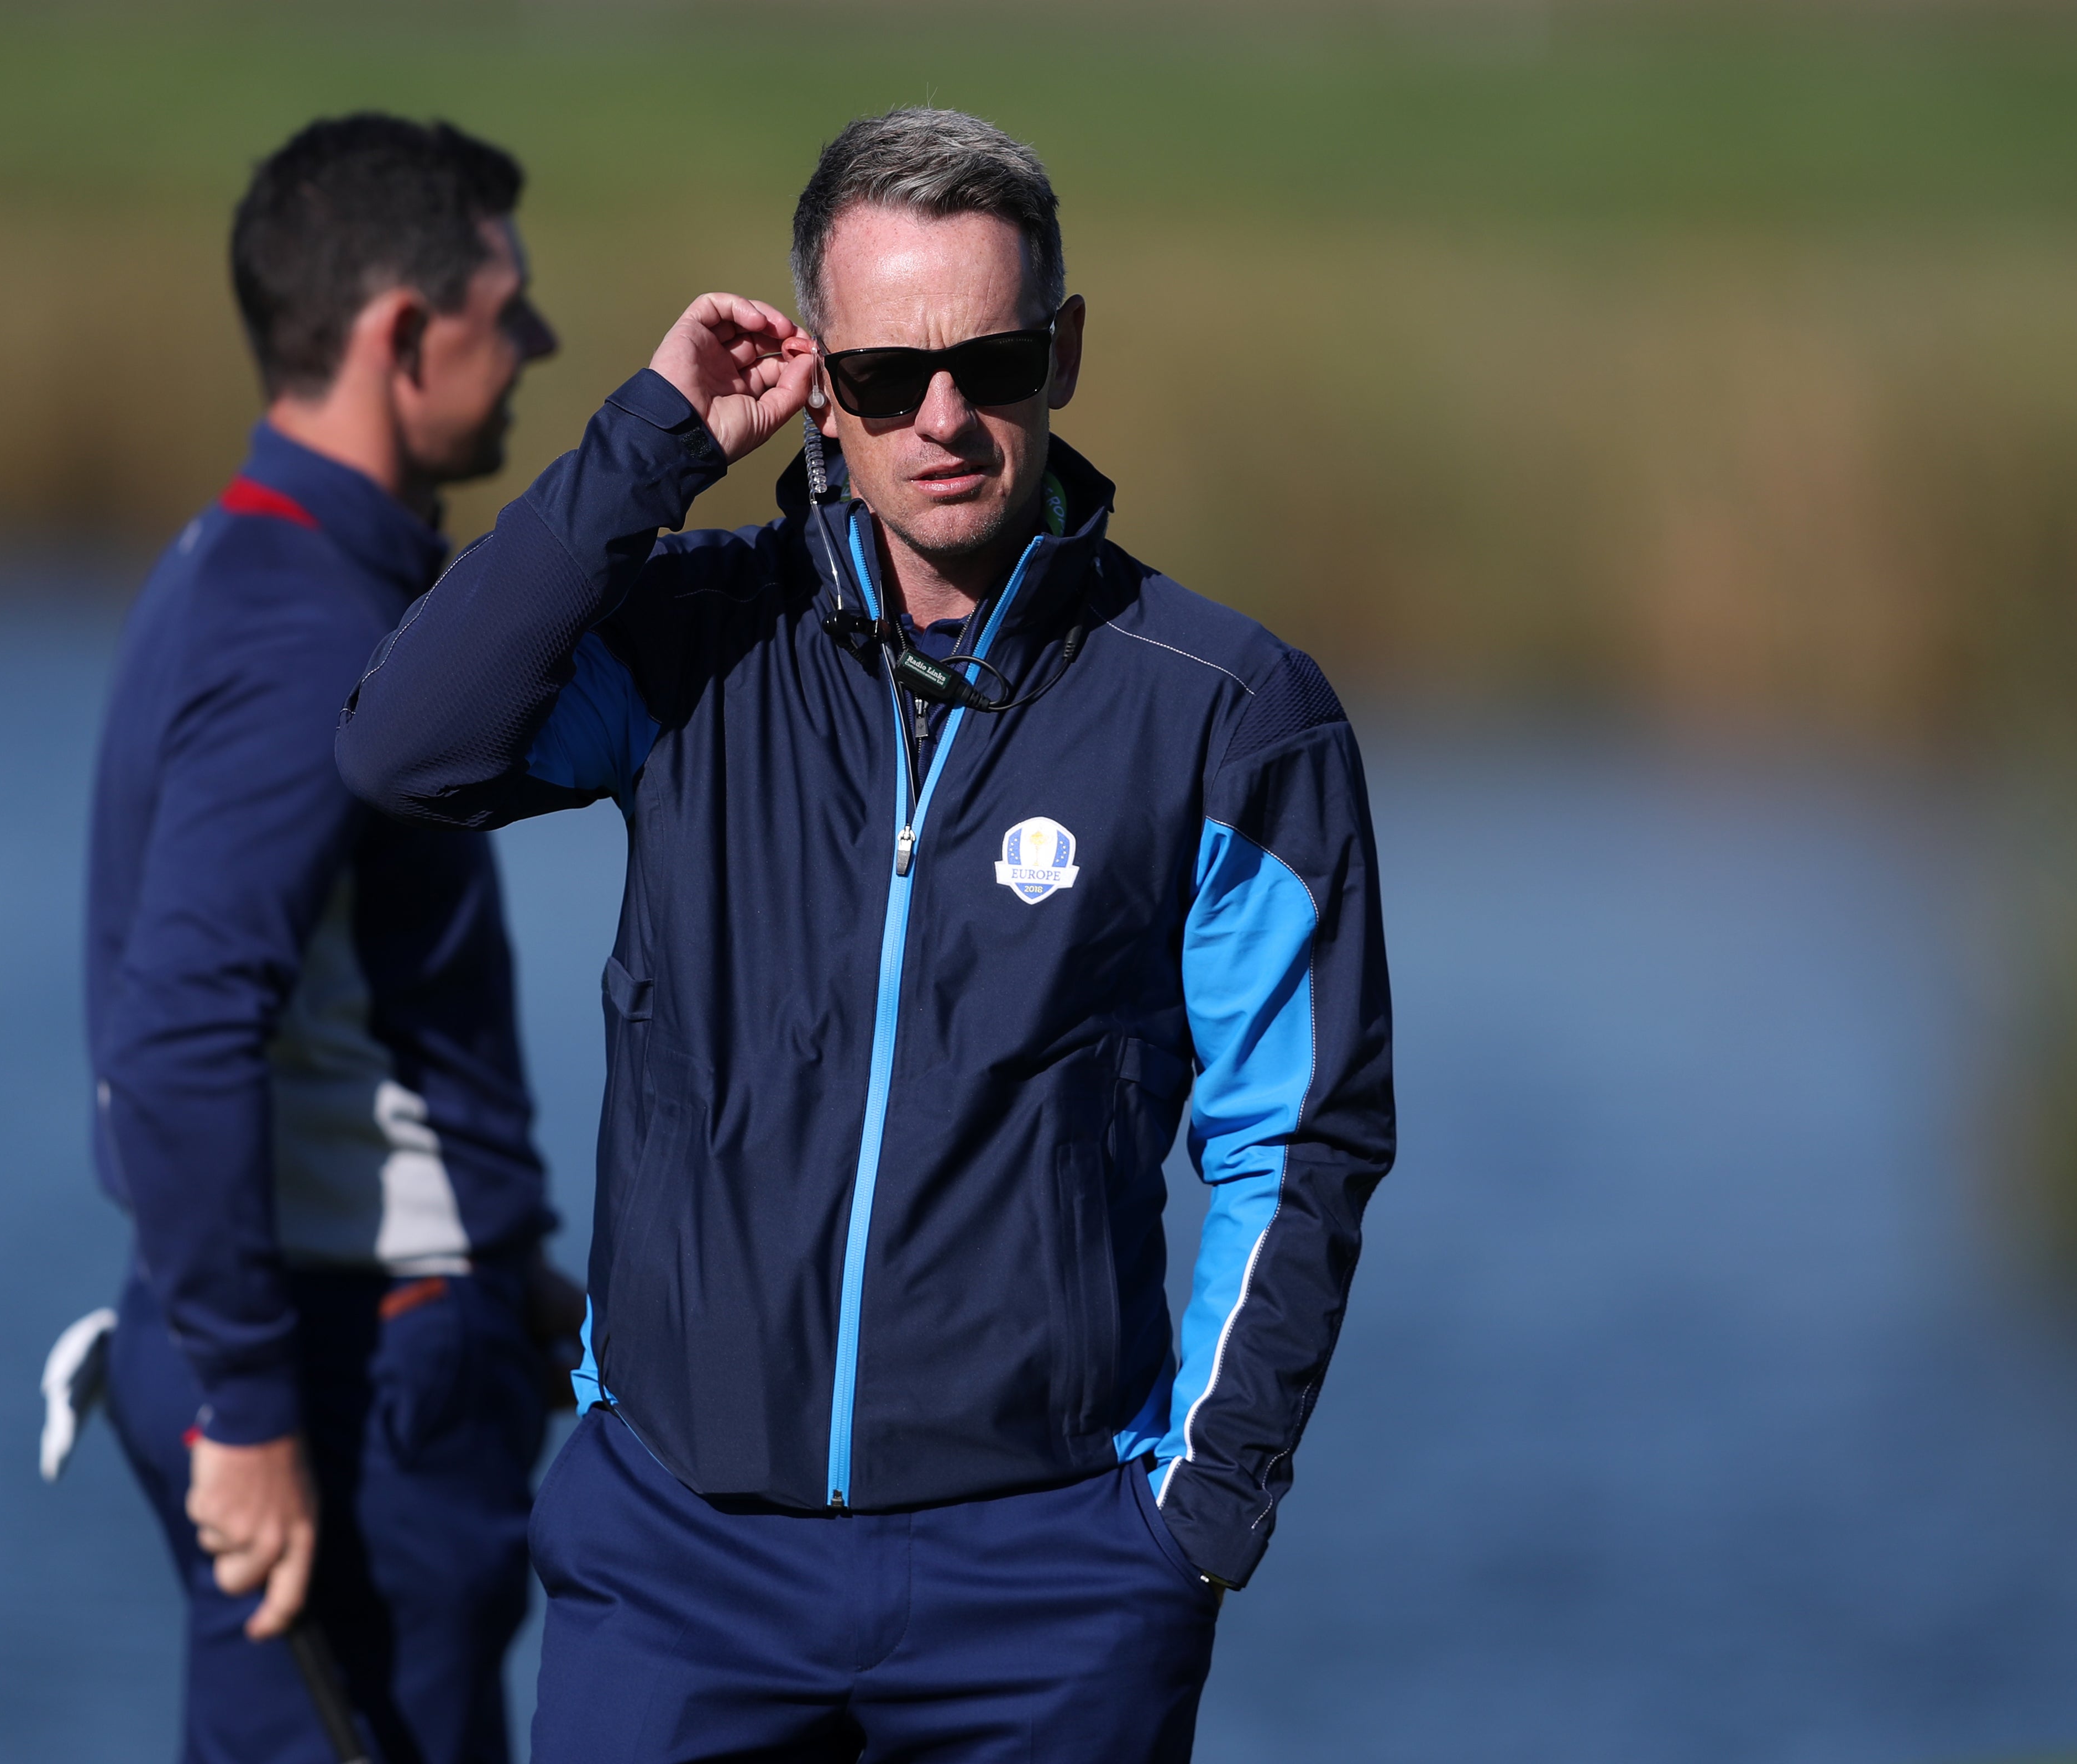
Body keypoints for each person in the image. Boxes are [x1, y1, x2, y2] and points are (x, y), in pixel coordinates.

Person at [336, 108, 1396, 1762]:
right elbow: (409, 748)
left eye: (994, 358)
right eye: (892, 376)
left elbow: (1299, 1137)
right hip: (679, 1562)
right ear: (819, 379)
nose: (948, 417)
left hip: (1047, 1590)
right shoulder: (690, 639)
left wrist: (1193, 1513)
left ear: (1065, 349)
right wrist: (648, 443)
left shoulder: (1226, 714)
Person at [81, 112, 569, 1764]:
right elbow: (180, 1031)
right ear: (405, 334)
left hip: (347, 1336)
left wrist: (511, 1267)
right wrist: (253, 1402)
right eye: (510, 310)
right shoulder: (306, 630)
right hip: (345, 1371)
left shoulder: (251, 560)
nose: (540, 346)